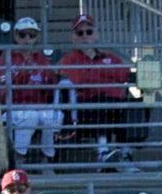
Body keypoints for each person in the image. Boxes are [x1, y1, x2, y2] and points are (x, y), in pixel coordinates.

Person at [59, 14, 143, 166]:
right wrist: (106, 74)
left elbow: (126, 74)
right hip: (85, 106)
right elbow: (79, 80)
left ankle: (125, 153)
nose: (85, 36)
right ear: (73, 37)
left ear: (96, 35)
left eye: (89, 32)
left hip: (115, 102)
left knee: (134, 105)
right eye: (80, 33)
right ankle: (103, 151)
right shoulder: (69, 59)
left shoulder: (110, 57)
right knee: (101, 102)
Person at [0, 17, 63, 164]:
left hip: (39, 107)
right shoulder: (6, 57)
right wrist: (23, 72)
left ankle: (47, 160)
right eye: (22, 35)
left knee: (53, 117)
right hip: (12, 108)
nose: (27, 39)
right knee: (30, 116)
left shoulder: (42, 59)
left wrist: (53, 78)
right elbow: (4, 89)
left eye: (32, 35)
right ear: (15, 36)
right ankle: (19, 160)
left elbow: (51, 91)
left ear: (36, 38)